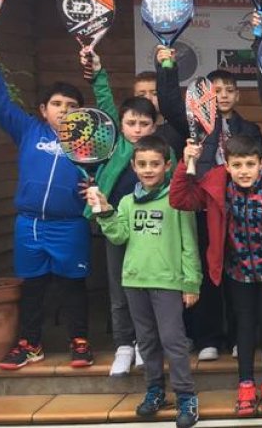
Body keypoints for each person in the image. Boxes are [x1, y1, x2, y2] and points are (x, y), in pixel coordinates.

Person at [0, 41, 94, 370]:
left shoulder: (90, 142)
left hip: (69, 225)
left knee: (73, 286)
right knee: (33, 287)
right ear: (43, 109)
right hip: (29, 225)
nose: (63, 109)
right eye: (56, 103)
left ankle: (79, 340)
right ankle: (30, 343)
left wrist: (96, 189)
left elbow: (105, 177)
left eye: (71, 105)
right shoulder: (28, 129)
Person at [170, 135, 262, 417]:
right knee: (243, 326)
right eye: (237, 164)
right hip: (237, 271)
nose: (244, 170)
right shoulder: (216, 185)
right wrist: (186, 162)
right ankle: (245, 384)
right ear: (227, 166)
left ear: (261, 164)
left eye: (250, 164)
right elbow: (180, 199)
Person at [156, 47, 262, 362]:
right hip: (205, 211)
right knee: (206, 275)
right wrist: (167, 66)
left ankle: (238, 336)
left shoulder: (250, 130)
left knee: (238, 277)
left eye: (229, 90)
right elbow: (167, 101)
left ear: (238, 96)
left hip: (240, 213)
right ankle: (208, 337)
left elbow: (260, 170)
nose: (223, 96)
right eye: (216, 91)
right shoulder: (195, 125)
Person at [93, 135, 200, 428]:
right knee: (147, 342)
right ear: (133, 166)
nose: (148, 169)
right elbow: (119, 235)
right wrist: (104, 211)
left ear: (167, 165)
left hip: (167, 282)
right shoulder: (127, 201)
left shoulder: (176, 199)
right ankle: (154, 390)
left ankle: (186, 396)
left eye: (155, 164)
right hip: (135, 282)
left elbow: (189, 244)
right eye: (142, 164)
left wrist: (191, 282)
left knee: (173, 342)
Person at [87, 52, 163, 377]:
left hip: (152, 230)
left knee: (149, 289)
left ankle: (148, 345)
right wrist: (98, 72)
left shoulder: (163, 151)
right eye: (131, 123)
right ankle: (123, 345)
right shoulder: (115, 145)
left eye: (144, 123)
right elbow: (104, 101)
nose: (137, 129)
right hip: (115, 225)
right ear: (121, 124)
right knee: (119, 290)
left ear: (154, 124)